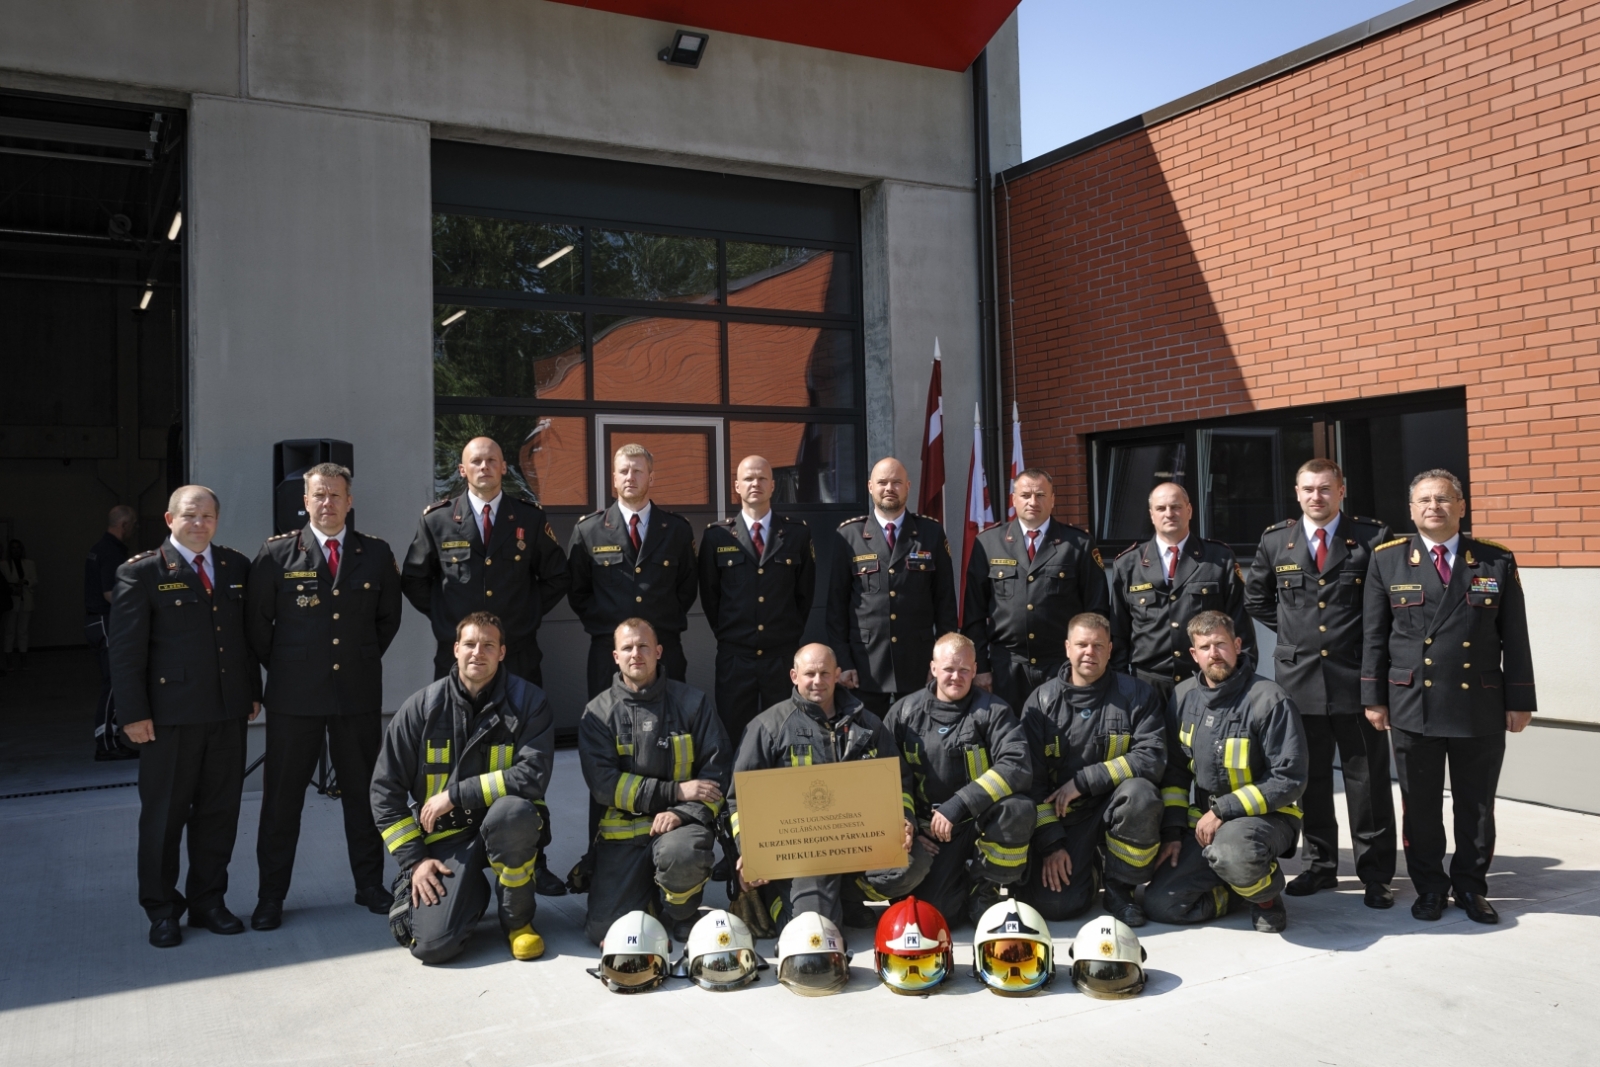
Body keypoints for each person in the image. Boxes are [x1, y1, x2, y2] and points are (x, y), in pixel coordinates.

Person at [1361, 469, 1535, 925]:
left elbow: (1514, 636)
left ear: (1461, 506)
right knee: (1420, 805)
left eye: (1443, 499)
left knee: (1476, 805)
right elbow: (1374, 637)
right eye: (1424, 500)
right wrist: (1374, 698)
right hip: (1412, 702)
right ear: (1411, 509)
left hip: (1477, 703)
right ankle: (1431, 888)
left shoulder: (1494, 560)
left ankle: (1471, 887)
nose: (1433, 507)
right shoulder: (1387, 560)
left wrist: (1521, 699)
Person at [401, 436, 569, 896]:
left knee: (527, 760)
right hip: (458, 666)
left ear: (503, 468)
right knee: (452, 758)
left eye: (493, 460)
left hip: (518, 659)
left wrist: (523, 620)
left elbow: (556, 575)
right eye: (476, 460)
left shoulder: (528, 519)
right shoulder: (437, 521)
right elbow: (415, 579)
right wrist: (448, 627)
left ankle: (535, 858)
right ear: (462, 469)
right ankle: (455, 850)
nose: (485, 467)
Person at [245, 463, 404, 930]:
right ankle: (270, 897)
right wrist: (293, 669)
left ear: (349, 501)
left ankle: (369, 886)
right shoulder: (276, 556)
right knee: (281, 801)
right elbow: (257, 626)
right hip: (295, 699)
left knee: (363, 795)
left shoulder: (374, 554)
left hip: (355, 694)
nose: (327, 503)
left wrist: (355, 659)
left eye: (336, 495)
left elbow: (386, 621)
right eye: (319, 495)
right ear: (305, 501)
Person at [109, 486, 260, 948]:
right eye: (190, 516)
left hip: (226, 713)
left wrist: (252, 691)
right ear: (169, 519)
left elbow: (244, 638)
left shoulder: (235, 566)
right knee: (164, 817)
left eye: (208, 516)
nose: (199, 524)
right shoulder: (142, 572)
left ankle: (208, 901)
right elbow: (126, 651)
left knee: (219, 813)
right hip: (168, 719)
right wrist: (132, 714)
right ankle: (161, 909)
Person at [1245, 457, 1397, 908]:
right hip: (1299, 681)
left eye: (1325, 489)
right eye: (1309, 489)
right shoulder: (1277, 542)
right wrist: (1295, 633)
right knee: (1309, 782)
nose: (1317, 496)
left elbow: (1387, 605)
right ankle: (1321, 865)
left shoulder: (1373, 538)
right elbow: (1257, 598)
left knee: (1367, 784)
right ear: (1297, 493)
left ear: (1341, 490)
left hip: (1356, 679)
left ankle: (1376, 875)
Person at [370, 612, 555, 964]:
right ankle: (466, 890)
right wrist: (416, 860)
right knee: (433, 947)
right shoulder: (421, 709)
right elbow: (384, 790)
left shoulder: (529, 702)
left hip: (504, 826)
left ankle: (517, 921)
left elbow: (532, 775)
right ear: (455, 650)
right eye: (470, 644)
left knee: (514, 813)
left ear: (502, 653)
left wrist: (455, 794)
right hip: (446, 837)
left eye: (488, 645)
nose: (477, 652)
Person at [729, 642, 928, 933]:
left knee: (913, 864)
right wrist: (751, 850)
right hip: (801, 855)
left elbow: (899, 782)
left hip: (858, 842)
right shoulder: (768, 727)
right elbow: (738, 801)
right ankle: (775, 897)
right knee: (816, 929)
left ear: (837, 675)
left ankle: (845, 900)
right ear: (794, 676)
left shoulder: (868, 725)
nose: (817, 681)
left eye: (824, 673)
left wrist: (906, 821)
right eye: (809, 673)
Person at [1146, 611, 1307, 933]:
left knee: (1235, 851)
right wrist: (1174, 833)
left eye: (1221, 644)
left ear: (1237, 644)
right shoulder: (1182, 697)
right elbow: (1176, 774)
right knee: (1161, 905)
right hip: (1207, 822)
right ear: (1194, 654)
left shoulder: (1269, 699)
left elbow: (1289, 778)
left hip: (1267, 817)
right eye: (1205, 647)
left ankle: (1266, 897)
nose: (1214, 653)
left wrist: (1224, 809)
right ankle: (1235, 893)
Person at [578, 619, 730, 944]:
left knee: (682, 854)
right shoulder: (598, 713)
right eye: (628, 648)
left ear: (658, 651)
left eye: (644, 646)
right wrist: (674, 791)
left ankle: (682, 912)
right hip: (624, 835)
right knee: (602, 932)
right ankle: (644, 896)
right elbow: (605, 785)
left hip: (679, 827)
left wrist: (683, 812)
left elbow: (717, 775)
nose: (637, 654)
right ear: (615, 656)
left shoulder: (693, 703)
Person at [1019, 613, 1165, 927]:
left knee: (1141, 794)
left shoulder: (1137, 696)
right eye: (1082, 644)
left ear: (1111, 649)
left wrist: (1084, 781)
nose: (1090, 652)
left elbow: (1152, 756)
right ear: (1067, 648)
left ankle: (1119, 888)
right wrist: (1052, 844)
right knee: (1057, 907)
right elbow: (1031, 783)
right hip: (1064, 816)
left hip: (1116, 806)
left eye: (1098, 645)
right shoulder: (1040, 703)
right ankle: (1092, 866)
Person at [883, 633, 1034, 924]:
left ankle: (986, 889)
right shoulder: (903, 714)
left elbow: (1017, 765)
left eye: (964, 670)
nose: (956, 676)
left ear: (975, 670)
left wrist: (960, 803)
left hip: (979, 822)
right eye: (949, 669)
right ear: (934, 668)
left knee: (1019, 808)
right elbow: (887, 777)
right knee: (942, 913)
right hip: (932, 831)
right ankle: (960, 879)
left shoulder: (995, 711)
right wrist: (910, 824)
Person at [962, 468, 1109, 711]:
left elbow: (1097, 610)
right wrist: (982, 666)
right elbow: (973, 614)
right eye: (1026, 495)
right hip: (1006, 667)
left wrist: (1085, 663)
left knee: (1062, 739)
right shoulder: (988, 543)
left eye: (1041, 495)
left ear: (1052, 500)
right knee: (1008, 737)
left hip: (1061, 664)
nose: (1033, 501)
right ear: (1014, 500)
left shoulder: (1079, 544)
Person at [697, 454, 816, 745]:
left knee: (788, 732)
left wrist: (785, 634)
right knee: (735, 734)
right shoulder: (717, 537)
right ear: (737, 486)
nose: (755, 483)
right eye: (748, 478)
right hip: (735, 657)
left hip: (782, 656)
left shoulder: (797, 534)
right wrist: (732, 634)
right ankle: (738, 791)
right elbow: (710, 597)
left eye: (762, 478)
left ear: (773, 485)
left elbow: (805, 594)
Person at [826, 457, 958, 716]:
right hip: (865, 667)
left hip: (918, 665)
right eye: (882, 482)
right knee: (868, 747)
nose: (889, 488)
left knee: (919, 744)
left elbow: (945, 604)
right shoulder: (849, 536)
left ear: (907, 486)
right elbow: (836, 608)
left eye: (896, 482)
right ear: (870, 487)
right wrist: (843, 661)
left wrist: (942, 664)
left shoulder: (931, 533)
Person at [568, 443, 699, 699]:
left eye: (638, 471)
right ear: (614, 479)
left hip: (664, 646)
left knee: (671, 722)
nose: (630, 477)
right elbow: (577, 590)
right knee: (607, 727)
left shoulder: (677, 530)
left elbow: (687, 587)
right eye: (624, 471)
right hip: (609, 649)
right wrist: (607, 623)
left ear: (651, 477)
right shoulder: (589, 530)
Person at [1108, 482, 1254, 705]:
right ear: (1151, 514)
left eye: (1176, 507)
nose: (1169, 513)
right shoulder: (1128, 564)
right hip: (1147, 686)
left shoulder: (1219, 559)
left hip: (1207, 682)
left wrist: (1241, 679)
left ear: (1189, 510)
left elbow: (1240, 624)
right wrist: (1120, 684)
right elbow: (1118, 632)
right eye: (1161, 508)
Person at [86, 505, 139, 760]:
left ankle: (112, 737)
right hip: (106, 621)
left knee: (116, 681)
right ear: (125, 525)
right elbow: (110, 593)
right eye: (133, 526)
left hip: (98, 622)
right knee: (115, 682)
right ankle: (105, 742)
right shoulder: (110, 551)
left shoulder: (100, 548)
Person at [2, 538, 37, 670]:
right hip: (12, 601)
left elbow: (34, 579)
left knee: (23, 631)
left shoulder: (29, 563)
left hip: (26, 600)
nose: (15, 550)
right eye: (13, 548)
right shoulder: (4, 564)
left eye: (18, 548)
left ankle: (23, 659)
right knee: (9, 630)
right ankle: (9, 660)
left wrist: (26, 582)